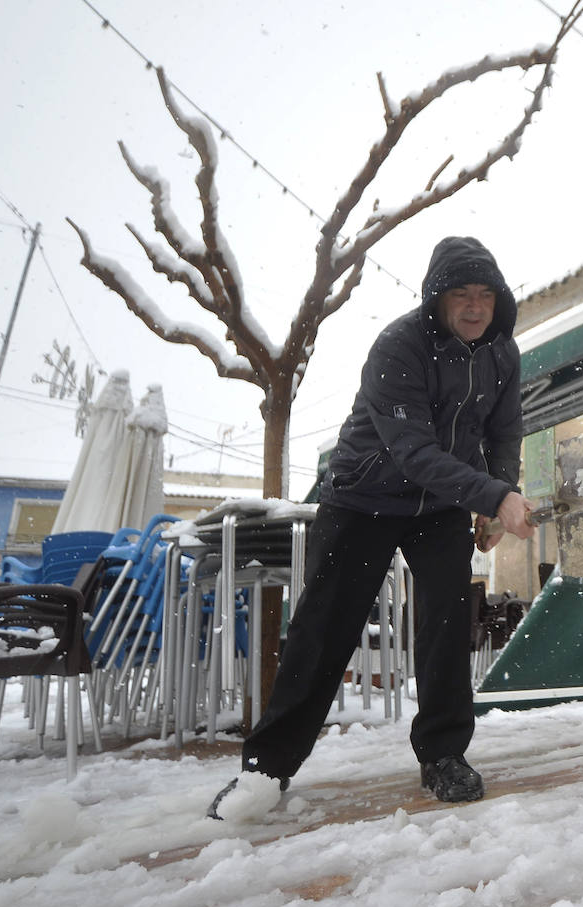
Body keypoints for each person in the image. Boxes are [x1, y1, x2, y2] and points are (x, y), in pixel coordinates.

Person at [209, 236, 536, 818]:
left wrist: (495, 499)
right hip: (364, 499)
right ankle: (267, 768)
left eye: (485, 294)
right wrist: (494, 494)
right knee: (325, 628)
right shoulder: (399, 347)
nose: (474, 306)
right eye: (460, 293)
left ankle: (443, 755)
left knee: (445, 623)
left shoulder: (502, 354)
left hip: (439, 509)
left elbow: (505, 431)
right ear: (436, 297)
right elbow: (414, 451)